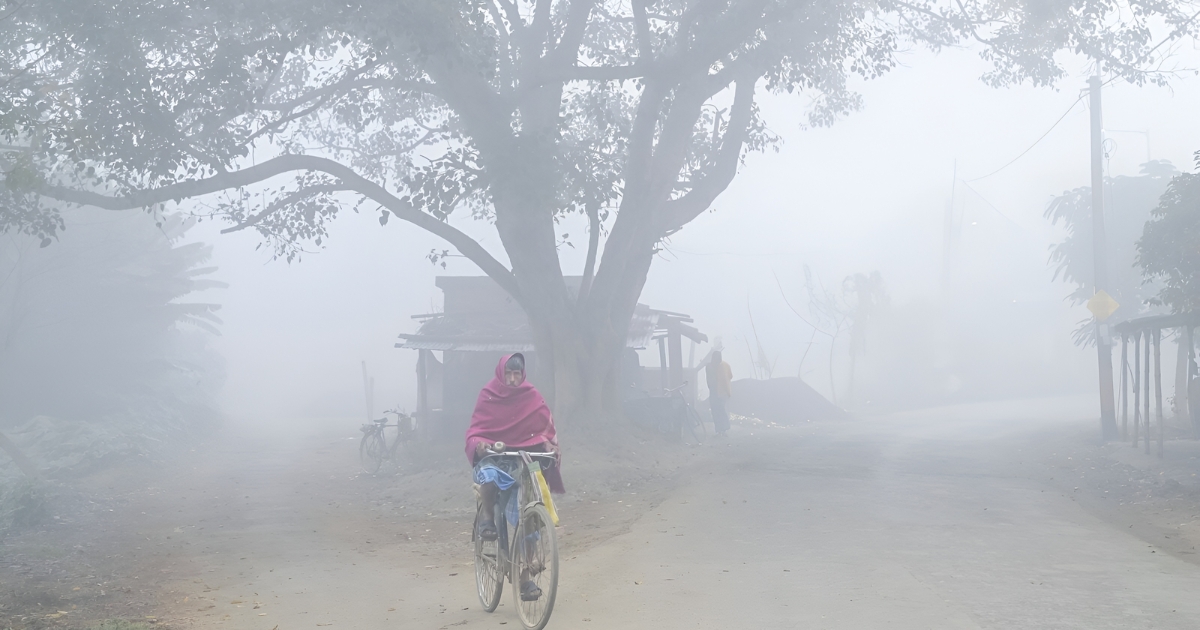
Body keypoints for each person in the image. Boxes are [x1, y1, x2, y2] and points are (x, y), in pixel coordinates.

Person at [465, 353, 563, 601]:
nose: (512, 379)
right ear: (501, 373)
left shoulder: (532, 396)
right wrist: (480, 445)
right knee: (487, 474)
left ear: (522, 374)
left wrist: (549, 445)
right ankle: (487, 518)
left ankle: (525, 578)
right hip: (496, 459)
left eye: (516, 374)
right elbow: (476, 430)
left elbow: (545, 429)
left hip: (523, 462)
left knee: (529, 517)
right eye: (508, 374)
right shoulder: (488, 395)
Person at [706, 350, 733, 436]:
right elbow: (730, 376)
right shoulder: (723, 366)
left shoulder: (718, 366)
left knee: (719, 410)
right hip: (717, 390)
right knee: (717, 410)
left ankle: (722, 428)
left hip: (719, 391)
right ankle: (721, 428)